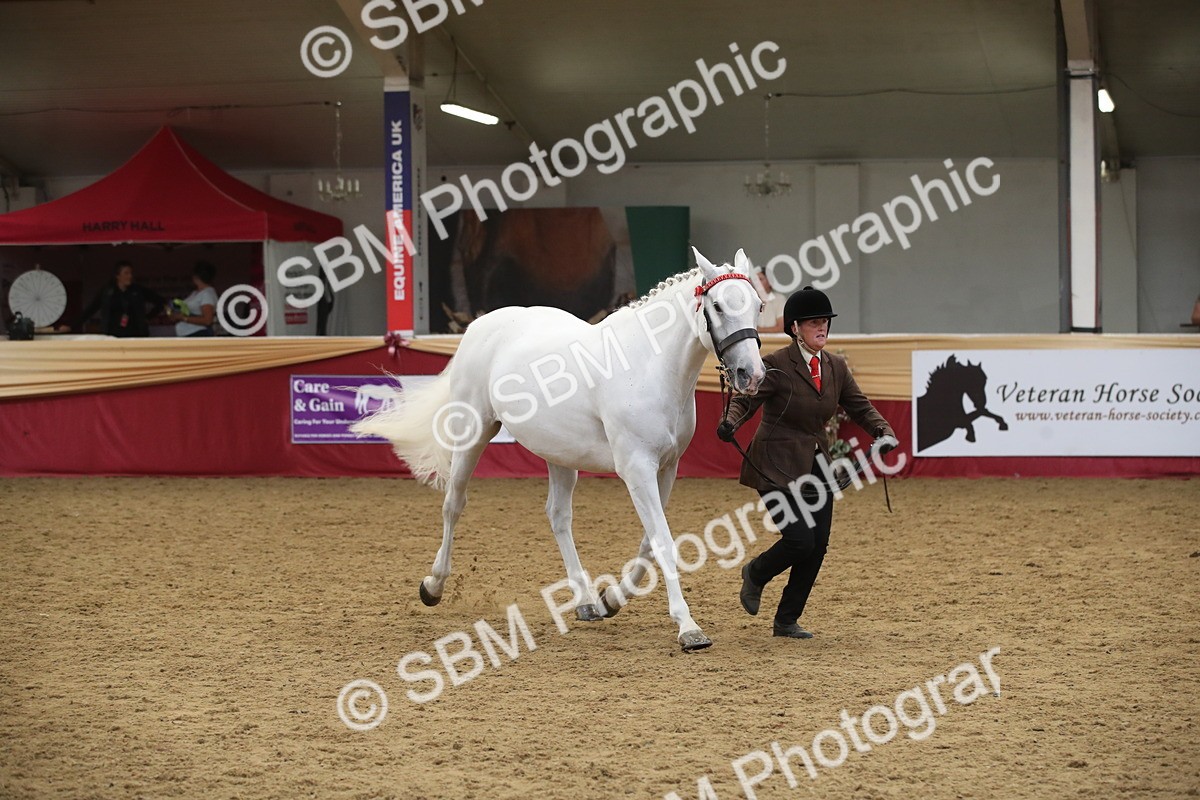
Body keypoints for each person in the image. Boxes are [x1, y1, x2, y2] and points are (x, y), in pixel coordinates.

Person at [716, 286, 897, 639]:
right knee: (799, 540)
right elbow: (745, 400)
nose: (822, 328)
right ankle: (755, 572)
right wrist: (730, 422)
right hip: (774, 464)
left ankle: (786, 619)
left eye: (825, 322)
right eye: (815, 322)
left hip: (816, 465)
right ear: (796, 328)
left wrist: (884, 431)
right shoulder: (775, 365)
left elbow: (860, 406)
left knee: (819, 544)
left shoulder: (835, 367)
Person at [77, 261, 166, 337]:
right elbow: (91, 309)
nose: (130, 276)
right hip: (112, 335)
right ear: (117, 275)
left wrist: (148, 317)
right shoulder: (107, 292)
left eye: (131, 273)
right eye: (126, 273)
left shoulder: (138, 290)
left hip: (136, 334)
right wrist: (72, 325)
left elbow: (161, 302)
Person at [169, 261, 218, 337]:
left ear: (196, 277)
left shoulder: (207, 294)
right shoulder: (195, 293)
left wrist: (183, 318)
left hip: (198, 333)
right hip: (187, 333)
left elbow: (208, 320)